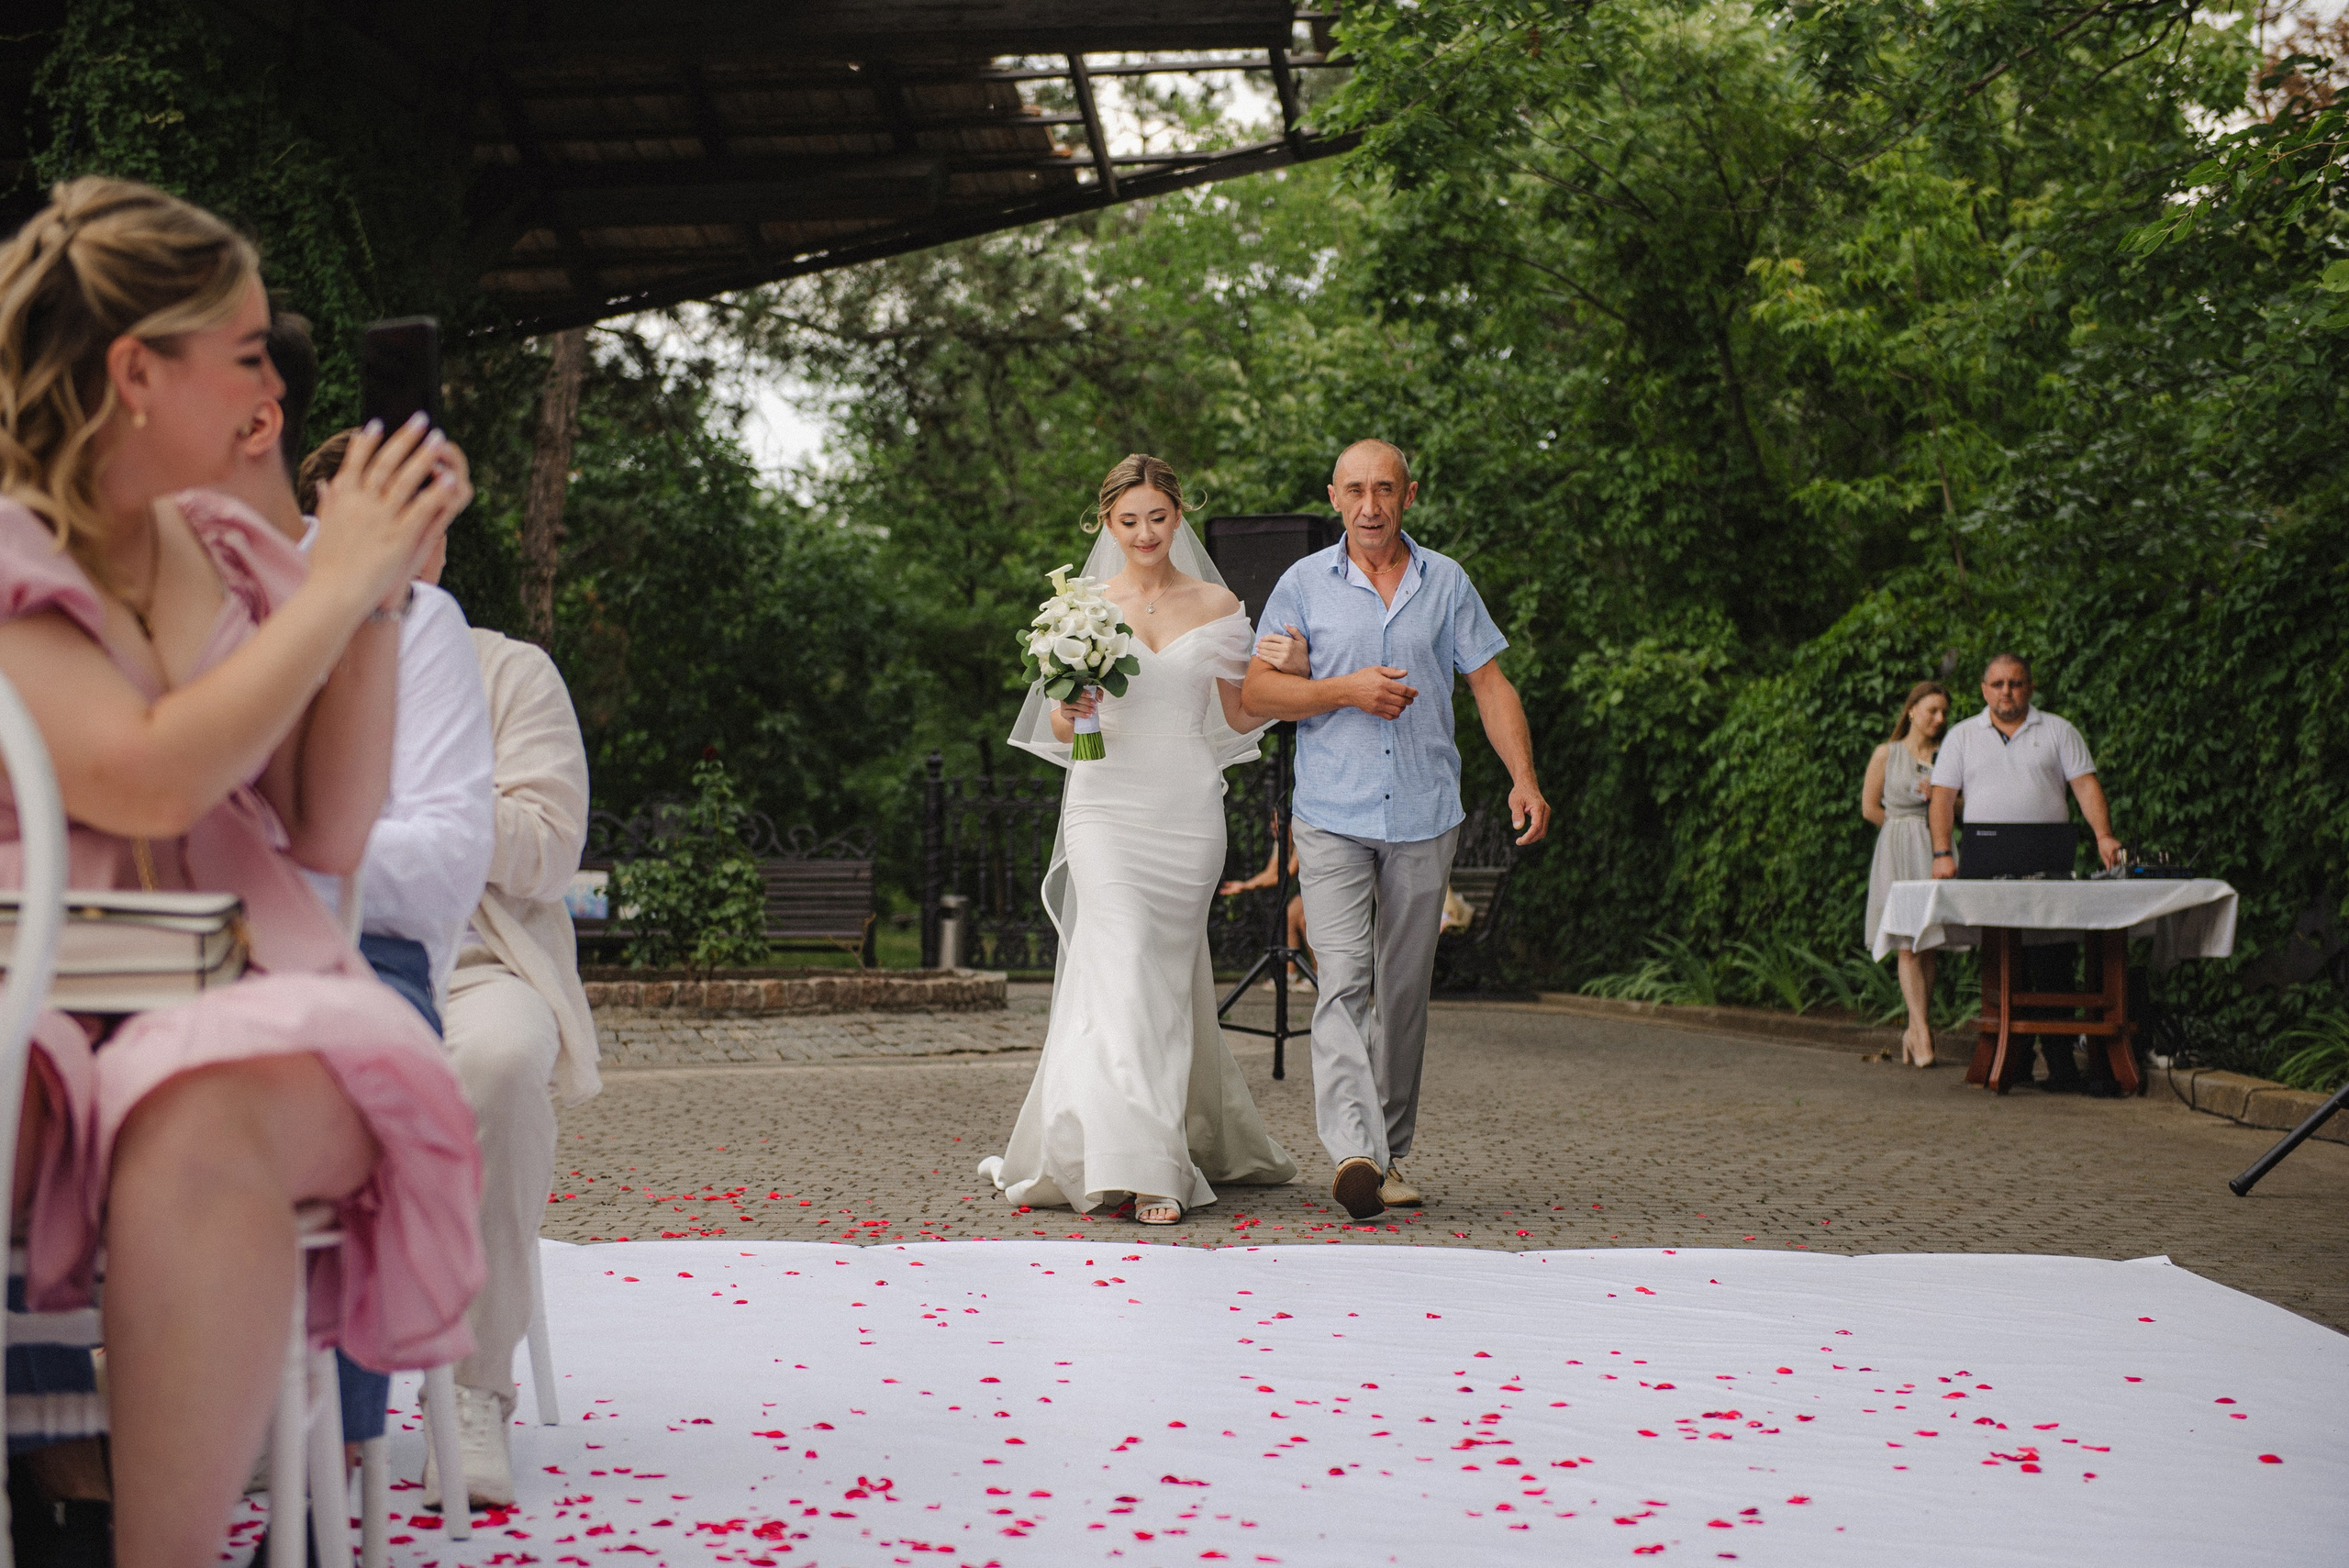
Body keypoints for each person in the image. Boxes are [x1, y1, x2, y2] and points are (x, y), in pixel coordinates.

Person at [0, 176, 484, 1563]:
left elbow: (327, 826)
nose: (273, 381)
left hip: (245, 991)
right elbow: (142, 770)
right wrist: (333, 584)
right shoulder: (9, 549)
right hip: (37, 1005)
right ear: (137, 373)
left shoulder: (226, 548)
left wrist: (376, 595)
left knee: (205, 1113)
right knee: (149, 1101)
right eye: (250, 348)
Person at [981, 453, 1300, 1226]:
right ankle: (1146, 1166)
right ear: (1105, 524)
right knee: (1120, 965)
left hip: (1187, 808)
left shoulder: (1219, 603)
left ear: (1178, 516)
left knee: (1156, 984)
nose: (1146, 532)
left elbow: (1241, 712)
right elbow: (1060, 722)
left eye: (1158, 517)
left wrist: (1285, 669)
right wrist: (1075, 700)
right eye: (1129, 520)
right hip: (1104, 806)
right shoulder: (1080, 607)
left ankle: (1138, 1144)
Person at [1242, 439, 1550, 1220]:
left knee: (1404, 989)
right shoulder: (1302, 584)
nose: (1370, 505)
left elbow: (1488, 681)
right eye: (1355, 491)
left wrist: (1523, 777)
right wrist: (1343, 688)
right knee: (1344, 979)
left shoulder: (1447, 582)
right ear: (1334, 497)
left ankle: (1390, 1151)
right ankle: (1356, 1150)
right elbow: (1259, 690)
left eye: (1385, 489)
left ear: (1409, 495)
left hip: (1422, 812)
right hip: (1332, 815)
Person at [1928, 653, 2124, 1095]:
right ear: (1984, 690)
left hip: (2048, 867)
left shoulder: (2058, 730)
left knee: (2054, 959)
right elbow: (1941, 799)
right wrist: (1943, 852)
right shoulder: (1961, 737)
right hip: (1987, 867)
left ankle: (2060, 1066)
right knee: (2001, 960)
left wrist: (2104, 837)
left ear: (2029, 687)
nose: (2006, 692)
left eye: (2015, 683)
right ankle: (2011, 1061)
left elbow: (2085, 785)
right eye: (1997, 684)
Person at [1862, 680, 1950, 1067]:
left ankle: (1915, 1029)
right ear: (1912, 710)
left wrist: (1944, 797)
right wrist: (1900, 833)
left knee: (1926, 942)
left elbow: (1961, 804)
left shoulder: (1946, 755)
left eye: (1944, 712)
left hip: (1934, 847)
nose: (1939, 718)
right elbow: (1869, 807)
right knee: (1905, 941)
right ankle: (1921, 1033)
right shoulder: (1887, 753)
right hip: (1897, 846)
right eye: (1932, 710)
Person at [1219, 808, 1312, 990]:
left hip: (1318, 884)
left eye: (1279, 822)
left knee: (1303, 920)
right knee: (1290, 917)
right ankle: (1290, 975)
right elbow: (1272, 871)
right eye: (1272, 822)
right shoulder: (1282, 842)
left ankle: (1319, 977)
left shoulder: (1303, 836)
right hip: (1305, 887)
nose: (1274, 826)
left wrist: (1248, 886)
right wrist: (1245, 884)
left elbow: (1288, 873)